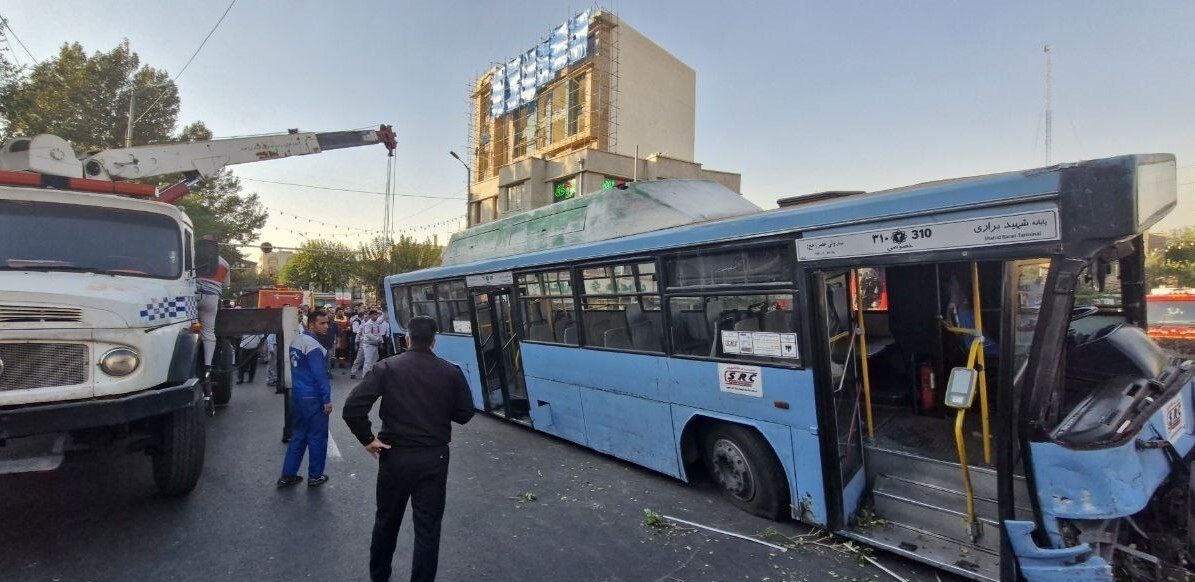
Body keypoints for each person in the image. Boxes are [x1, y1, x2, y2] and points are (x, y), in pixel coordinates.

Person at [342, 315, 475, 582]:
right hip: (434, 457)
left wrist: (368, 439)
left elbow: (353, 408)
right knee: (428, 529)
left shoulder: (387, 368)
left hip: (395, 455)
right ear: (435, 342)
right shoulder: (451, 371)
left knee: (386, 522)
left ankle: (379, 576)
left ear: (407, 339)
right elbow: (464, 414)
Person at [277, 310, 334, 487]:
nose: (326, 326)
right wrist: (326, 400)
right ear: (311, 325)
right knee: (317, 437)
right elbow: (320, 376)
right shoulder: (314, 346)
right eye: (322, 323)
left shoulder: (296, 341)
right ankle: (315, 475)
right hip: (313, 397)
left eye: (327, 323)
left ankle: (288, 475)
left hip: (298, 395)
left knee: (298, 435)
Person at [195, 240, 230, 376]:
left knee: (185, 327)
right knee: (209, 332)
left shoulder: (191, 255)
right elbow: (226, 284)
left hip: (192, 296)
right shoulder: (224, 263)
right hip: (211, 298)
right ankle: (207, 366)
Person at [351, 309, 382, 379]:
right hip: (365, 343)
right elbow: (359, 334)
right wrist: (356, 343)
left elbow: (378, 333)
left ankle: (370, 375)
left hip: (374, 344)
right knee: (362, 359)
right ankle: (360, 374)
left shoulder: (375, 323)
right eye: (364, 317)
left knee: (374, 359)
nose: (365, 318)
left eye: (377, 315)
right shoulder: (364, 325)